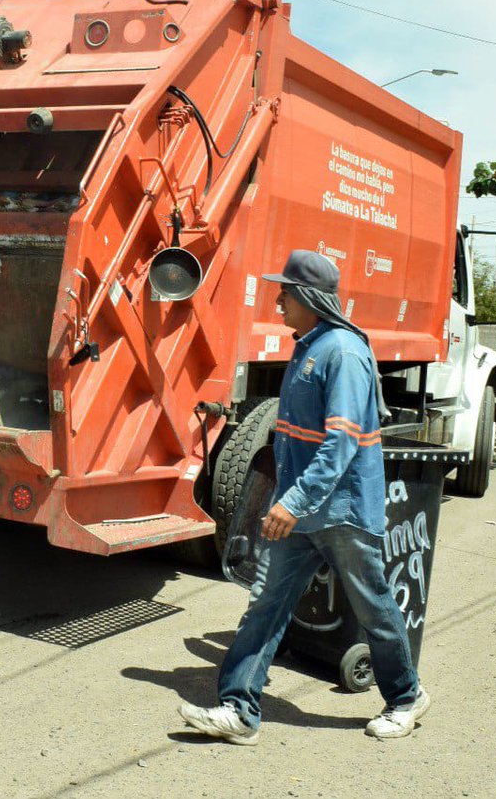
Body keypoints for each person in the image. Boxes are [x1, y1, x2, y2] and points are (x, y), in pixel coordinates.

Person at [178, 249, 428, 743]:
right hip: (298, 513)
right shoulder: (308, 346)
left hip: (342, 511)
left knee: (374, 608)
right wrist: (286, 499)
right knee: (265, 605)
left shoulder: (344, 353)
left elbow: (340, 444)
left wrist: (293, 502)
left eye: (286, 293)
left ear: (310, 298)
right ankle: (239, 710)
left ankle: (406, 697)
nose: (277, 301)